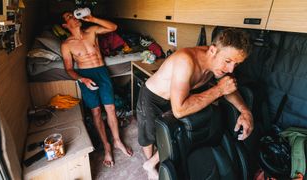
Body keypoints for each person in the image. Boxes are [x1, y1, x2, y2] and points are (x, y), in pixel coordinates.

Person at [136, 28, 254, 179]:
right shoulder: (186, 61)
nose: (230, 69)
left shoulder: (218, 64)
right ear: (212, 50)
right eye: (228, 61)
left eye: (236, 64)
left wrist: (245, 111)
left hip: (177, 98)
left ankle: (151, 163)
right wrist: (219, 90)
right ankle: (149, 166)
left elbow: (228, 87)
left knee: (171, 135)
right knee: (149, 137)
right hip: (153, 97)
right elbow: (179, 110)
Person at [60, 11, 133, 167]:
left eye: (73, 14)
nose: (73, 17)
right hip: (85, 75)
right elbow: (68, 69)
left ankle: (117, 141)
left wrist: (92, 18)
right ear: (65, 25)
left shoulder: (91, 31)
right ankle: (107, 146)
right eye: (69, 17)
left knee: (111, 108)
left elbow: (113, 27)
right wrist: (82, 79)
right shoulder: (66, 44)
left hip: (101, 72)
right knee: (96, 111)